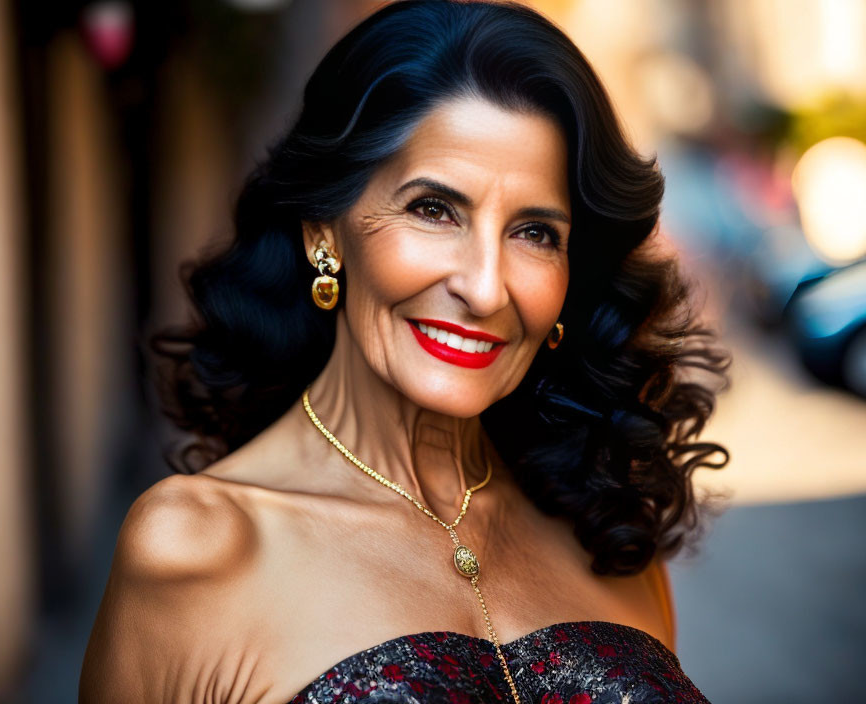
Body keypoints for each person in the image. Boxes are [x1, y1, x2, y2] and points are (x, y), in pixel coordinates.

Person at [80, 1, 731, 702]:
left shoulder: (609, 534)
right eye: (434, 209)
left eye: (535, 232)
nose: (486, 289)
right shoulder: (196, 549)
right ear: (323, 231)